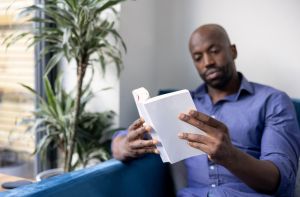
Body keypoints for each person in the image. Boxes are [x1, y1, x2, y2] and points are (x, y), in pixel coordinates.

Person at [112, 24, 300, 196]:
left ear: (233, 51)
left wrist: (230, 156)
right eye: (198, 57)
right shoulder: (178, 104)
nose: (208, 62)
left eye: (215, 51)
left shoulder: (273, 101)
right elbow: (126, 138)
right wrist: (124, 146)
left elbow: (281, 181)